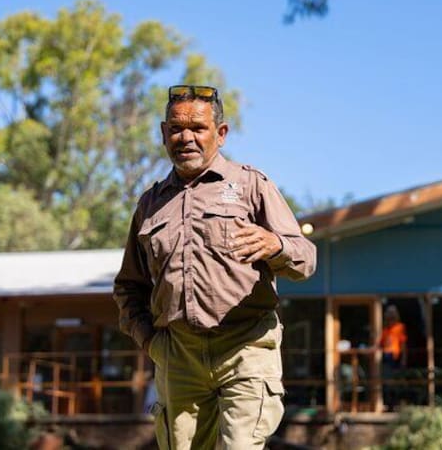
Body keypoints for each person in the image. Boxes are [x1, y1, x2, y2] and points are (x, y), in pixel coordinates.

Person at [113, 85, 317, 449]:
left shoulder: (250, 185)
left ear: (220, 134)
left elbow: (306, 258)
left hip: (245, 347)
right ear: (163, 134)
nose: (185, 137)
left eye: (197, 128)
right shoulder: (150, 204)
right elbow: (129, 286)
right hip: (178, 355)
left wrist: (276, 245)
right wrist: (152, 343)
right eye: (176, 129)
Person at [378, 305, 408, 410]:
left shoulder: (400, 327)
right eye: (389, 313)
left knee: (395, 381)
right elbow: (380, 344)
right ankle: (390, 405)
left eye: (392, 313)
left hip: (395, 356)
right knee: (387, 381)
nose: (390, 315)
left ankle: (396, 404)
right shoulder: (385, 329)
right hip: (386, 356)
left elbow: (403, 343)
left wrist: (404, 358)